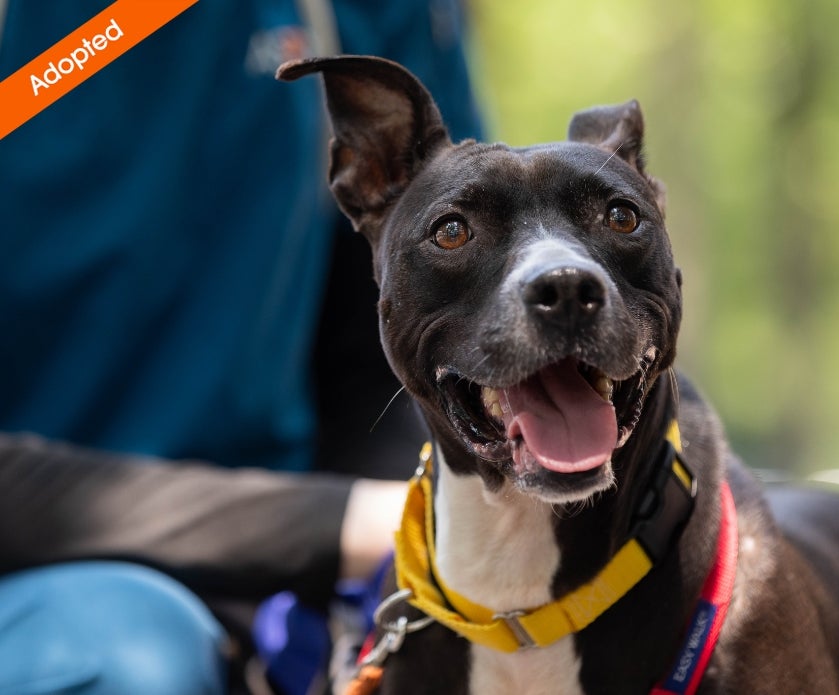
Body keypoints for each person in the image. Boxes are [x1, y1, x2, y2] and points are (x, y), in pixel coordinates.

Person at [0, 0, 483, 692]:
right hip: (78, 599)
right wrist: (345, 526)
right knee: (134, 662)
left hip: (288, 574)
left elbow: (387, 354)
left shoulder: (367, 16)